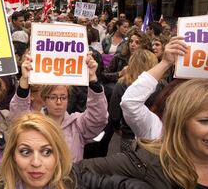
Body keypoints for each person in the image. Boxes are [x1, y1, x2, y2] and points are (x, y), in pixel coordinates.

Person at [78, 77, 208, 188]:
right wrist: (123, 185)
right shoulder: (147, 163)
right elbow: (71, 173)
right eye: (205, 121)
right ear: (179, 123)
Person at [9, 53, 108, 162]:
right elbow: (17, 116)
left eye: (63, 97)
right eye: (53, 97)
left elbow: (98, 118)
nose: (59, 102)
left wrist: (93, 80)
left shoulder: (77, 124)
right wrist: (24, 80)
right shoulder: (33, 122)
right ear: (45, 100)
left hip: (70, 178)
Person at [120, 37, 188, 139]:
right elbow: (130, 103)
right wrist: (165, 63)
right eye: (203, 120)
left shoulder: (163, 84)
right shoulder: (159, 131)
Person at [0, 113, 76, 189]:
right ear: (13, 156)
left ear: (59, 155)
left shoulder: (76, 184)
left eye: (46, 152)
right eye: (25, 152)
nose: (36, 163)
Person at [108, 49, 159, 151]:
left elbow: (114, 114)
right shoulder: (160, 85)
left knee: (130, 165)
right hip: (155, 137)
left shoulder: (122, 84)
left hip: (129, 136)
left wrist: (118, 129)